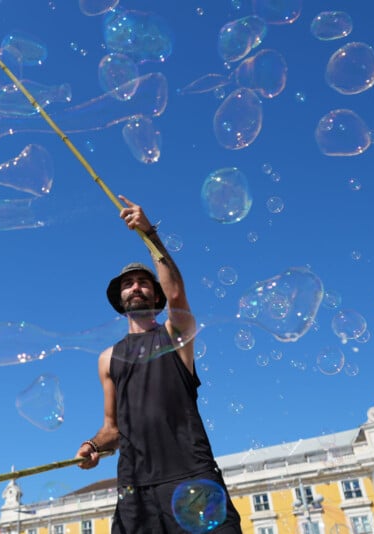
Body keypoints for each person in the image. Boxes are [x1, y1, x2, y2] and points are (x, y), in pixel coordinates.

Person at [75, 195, 242, 533]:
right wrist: (92, 446)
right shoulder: (108, 358)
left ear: (155, 294)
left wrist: (149, 234)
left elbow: (178, 296)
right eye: (127, 284)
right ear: (119, 299)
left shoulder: (175, 335)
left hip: (192, 475)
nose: (135, 287)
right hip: (135, 488)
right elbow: (113, 428)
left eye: (143, 282)